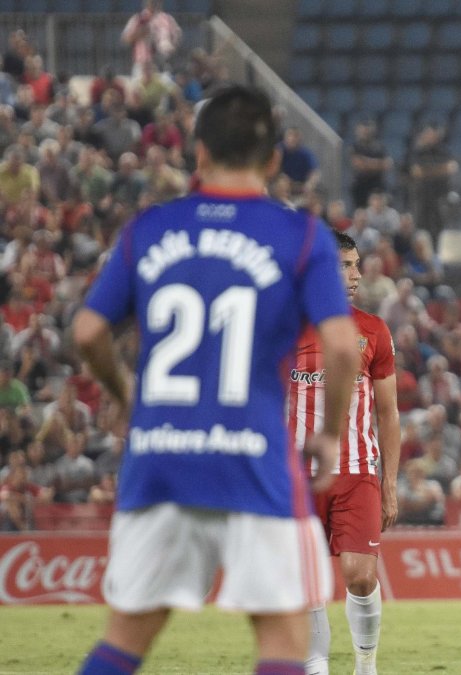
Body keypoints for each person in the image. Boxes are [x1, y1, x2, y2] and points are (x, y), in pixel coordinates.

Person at [72, 85, 360, 675]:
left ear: (197, 152)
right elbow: (340, 347)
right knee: (283, 638)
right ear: (275, 159)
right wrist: (330, 434)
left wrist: (127, 395)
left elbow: (87, 332)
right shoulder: (302, 237)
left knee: (124, 641)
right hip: (255, 461)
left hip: (160, 459)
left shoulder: (150, 228)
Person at [288, 231, 401, 675]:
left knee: (361, 575)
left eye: (356, 264)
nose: (356, 274)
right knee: (309, 581)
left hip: (357, 471)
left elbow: (389, 414)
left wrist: (389, 484)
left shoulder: (373, 330)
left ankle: (365, 664)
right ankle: (316, 668)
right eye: (345, 266)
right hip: (300, 474)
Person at [121, 0, 181, 78]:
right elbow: (125, 38)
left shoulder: (167, 19)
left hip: (162, 64)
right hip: (142, 64)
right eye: (152, 1)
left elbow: (177, 36)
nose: (155, 3)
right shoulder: (138, 19)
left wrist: (171, 46)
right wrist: (141, 32)